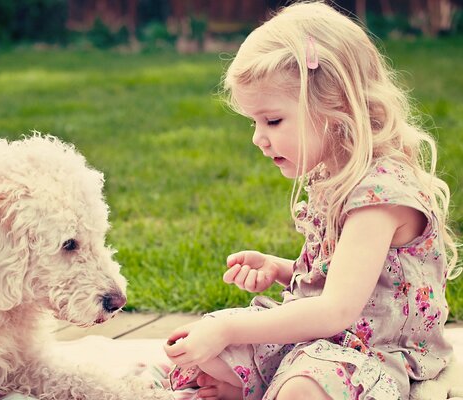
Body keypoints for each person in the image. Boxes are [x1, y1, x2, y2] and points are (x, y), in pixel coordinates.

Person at [163, 2, 460, 399]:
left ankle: (267, 385)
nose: (258, 138)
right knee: (193, 347)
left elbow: (336, 309)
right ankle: (257, 381)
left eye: (272, 120)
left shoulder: (381, 196)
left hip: (375, 351)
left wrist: (230, 331)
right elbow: (350, 278)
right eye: (254, 122)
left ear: (334, 107)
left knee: (299, 384)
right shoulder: (333, 176)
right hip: (326, 337)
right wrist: (282, 269)